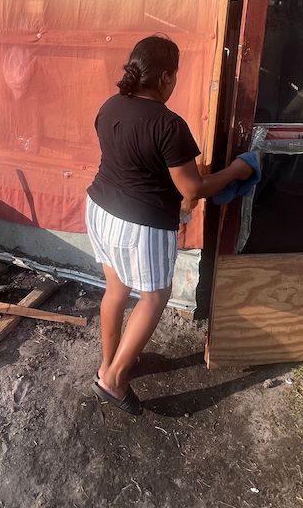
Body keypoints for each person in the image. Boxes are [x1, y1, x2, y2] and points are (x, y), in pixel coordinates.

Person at [86, 35, 255, 415]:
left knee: (116, 288)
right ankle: (113, 381)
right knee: (154, 297)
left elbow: (134, 161)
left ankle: (108, 362)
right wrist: (238, 169)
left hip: (98, 208)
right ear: (165, 76)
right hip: (140, 225)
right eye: (175, 75)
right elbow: (192, 188)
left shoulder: (110, 106)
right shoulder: (168, 123)